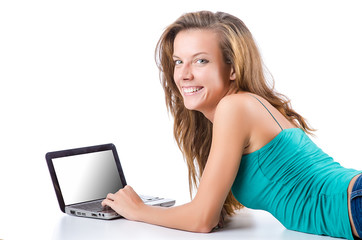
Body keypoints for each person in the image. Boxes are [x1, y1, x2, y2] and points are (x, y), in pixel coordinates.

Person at [102, 11, 362, 240]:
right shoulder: (241, 108)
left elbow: (202, 219)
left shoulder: (234, 107)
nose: (184, 74)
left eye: (200, 60)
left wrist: (139, 210)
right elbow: (208, 215)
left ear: (233, 68)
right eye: (179, 61)